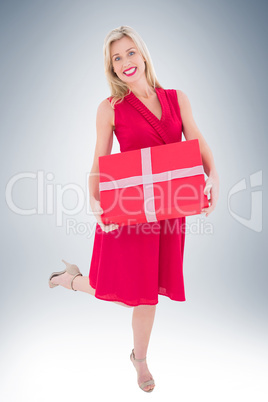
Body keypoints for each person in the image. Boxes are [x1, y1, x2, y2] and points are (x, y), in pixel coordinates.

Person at [48, 25, 219, 393]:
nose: (126, 61)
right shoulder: (110, 108)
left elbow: (198, 142)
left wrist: (214, 177)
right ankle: (73, 281)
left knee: (146, 292)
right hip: (129, 210)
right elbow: (99, 159)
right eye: (117, 57)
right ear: (111, 67)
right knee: (119, 289)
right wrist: (96, 204)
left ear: (143, 55)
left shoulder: (177, 98)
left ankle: (139, 359)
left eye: (130, 53)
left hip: (168, 212)